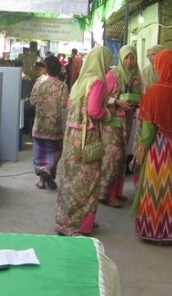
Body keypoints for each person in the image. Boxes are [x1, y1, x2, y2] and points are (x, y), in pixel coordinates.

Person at [130, 50, 172, 243]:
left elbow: (148, 129)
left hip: (158, 148)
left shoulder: (154, 91)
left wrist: (142, 147)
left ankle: (154, 231)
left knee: (157, 188)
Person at [55, 45, 113, 236]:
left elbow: (70, 106)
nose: (108, 66)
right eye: (107, 62)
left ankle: (65, 220)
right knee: (87, 181)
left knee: (70, 179)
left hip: (72, 137)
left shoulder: (79, 82)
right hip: (87, 138)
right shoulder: (97, 82)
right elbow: (94, 111)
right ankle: (78, 224)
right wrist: (107, 114)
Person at [98, 45, 142, 208]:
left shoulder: (136, 76)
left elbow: (140, 96)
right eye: (126, 58)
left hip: (128, 120)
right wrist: (117, 102)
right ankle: (105, 193)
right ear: (121, 59)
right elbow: (102, 98)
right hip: (112, 120)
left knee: (123, 156)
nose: (129, 61)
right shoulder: (113, 75)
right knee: (113, 157)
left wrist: (137, 102)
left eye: (132, 57)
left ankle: (116, 191)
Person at [30, 55, 69, 190]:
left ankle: (41, 182)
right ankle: (48, 168)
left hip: (40, 125)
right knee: (58, 149)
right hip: (55, 126)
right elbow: (64, 104)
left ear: (46, 69)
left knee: (41, 153)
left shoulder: (39, 83)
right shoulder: (62, 86)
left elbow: (32, 100)